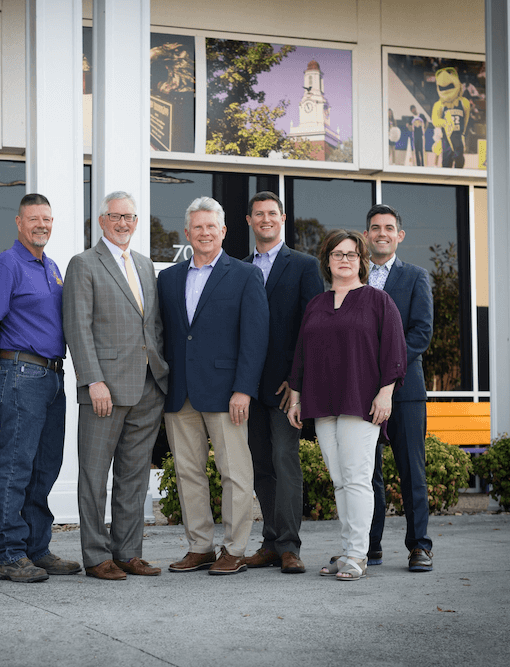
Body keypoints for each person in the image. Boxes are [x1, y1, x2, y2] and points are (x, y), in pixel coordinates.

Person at [285, 229, 406, 582]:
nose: (344, 259)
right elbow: (302, 354)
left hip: (361, 400)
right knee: (340, 480)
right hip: (323, 402)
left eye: (351, 254)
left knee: (357, 480)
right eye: (337, 254)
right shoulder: (317, 304)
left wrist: (386, 393)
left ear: (362, 261)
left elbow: (394, 351)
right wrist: (295, 396)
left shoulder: (378, 301)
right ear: (327, 261)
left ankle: (357, 554)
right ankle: (349, 549)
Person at [157, 197, 268, 576]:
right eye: (197, 227)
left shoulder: (245, 275)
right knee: (188, 472)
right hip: (180, 390)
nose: (204, 232)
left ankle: (235, 549)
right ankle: (200, 546)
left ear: (223, 231)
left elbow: (255, 338)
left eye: (211, 227)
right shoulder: (168, 278)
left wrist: (244, 389)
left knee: (235, 472)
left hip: (226, 391)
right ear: (187, 233)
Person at [62, 191, 169, 581]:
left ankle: (128, 553)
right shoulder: (84, 264)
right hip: (103, 391)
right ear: (102, 220)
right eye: (116, 216)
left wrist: (160, 374)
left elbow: (151, 325)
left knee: (134, 477)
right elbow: (77, 327)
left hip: (146, 387)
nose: (124, 223)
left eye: (130, 217)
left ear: (137, 222)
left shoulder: (144, 265)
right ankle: (95, 556)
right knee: (94, 476)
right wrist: (93, 380)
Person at [0, 193, 81, 583]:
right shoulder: (6, 265)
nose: (42, 224)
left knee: (45, 467)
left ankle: (37, 549)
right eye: (34, 218)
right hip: (21, 373)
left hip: (54, 377)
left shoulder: (51, 266)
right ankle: (9, 555)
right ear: (19, 223)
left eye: (48, 219)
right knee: (16, 467)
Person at [240, 191, 322, 575]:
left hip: (286, 386)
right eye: (259, 214)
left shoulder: (304, 266)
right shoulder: (239, 268)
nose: (266, 219)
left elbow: (313, 328)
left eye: (272, 213)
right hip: (248, 386)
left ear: (283, 218)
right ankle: (271, 541)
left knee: (285, 463)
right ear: (249, 221)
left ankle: (290, 546)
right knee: (260, 467)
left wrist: (298, 380)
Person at [363, 204, 435, 572]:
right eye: (375, 228)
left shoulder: (416, 277)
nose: (382, 234)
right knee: (367, 473)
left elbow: (420, 333)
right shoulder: (356, 277)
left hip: (404, 390)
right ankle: (369, 546)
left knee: (412, 470)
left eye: (388, 228)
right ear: (366, 235)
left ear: (399, 235)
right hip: (361, 392)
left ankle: (419, 546)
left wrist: (385, 374)